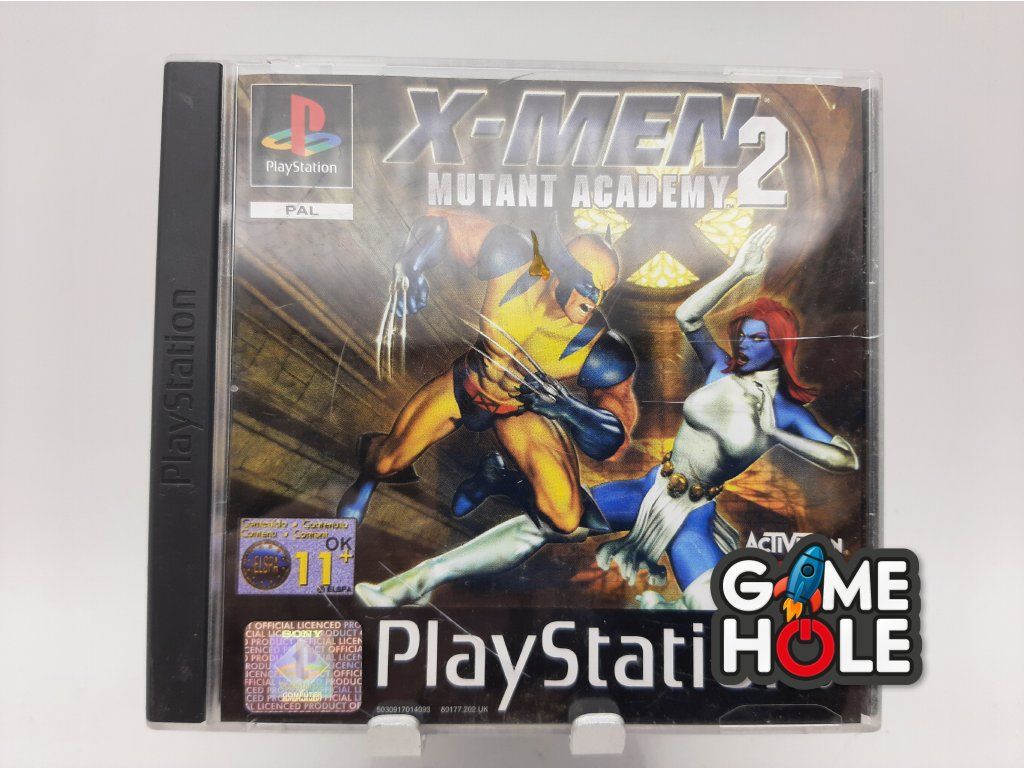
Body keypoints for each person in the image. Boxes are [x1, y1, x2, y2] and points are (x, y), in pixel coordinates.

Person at [355, 224, 858, 610]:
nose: (743, 344)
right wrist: (740, 271)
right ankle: (413, 582)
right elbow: (688, 317)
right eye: (742, 334)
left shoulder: (783, 411)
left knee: (710, 608)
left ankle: (734, 661)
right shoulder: (719, 369)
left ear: (779, 346)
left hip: (692, 514)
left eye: (756, 338)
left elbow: (845, 459)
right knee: (545, 521)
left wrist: (777, 433)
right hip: (648, 487)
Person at [337, 210, 638, 543]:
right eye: (587, 285)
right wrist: (409, 267)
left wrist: (570, 409)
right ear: (560, 269)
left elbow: (613, 438)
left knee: (565, 518)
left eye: (601, 292)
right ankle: (366, 480)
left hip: (520, 411)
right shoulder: (511, 261)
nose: (593, 302)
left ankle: (498, 479)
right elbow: (440, 224)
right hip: (467, 384)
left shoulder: (600, 349)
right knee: (386, 462)